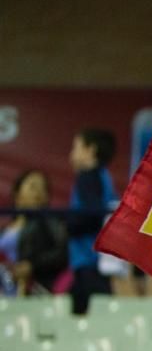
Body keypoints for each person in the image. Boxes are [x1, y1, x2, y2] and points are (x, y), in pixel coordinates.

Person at [66, 128, 118, 314]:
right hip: (94, 262)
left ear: (90, 150)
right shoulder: (103, 177)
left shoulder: (88, 177)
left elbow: (92, 214)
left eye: (76, 147)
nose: (72, 154)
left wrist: (68, 226)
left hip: (89, 261)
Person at [0, 169, 69, 295]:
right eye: (33, 186)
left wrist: (32, 265)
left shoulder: (50, 222)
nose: (38, 192)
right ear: (17, 193)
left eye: (43, 188)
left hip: (31, 290)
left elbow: (62, 252)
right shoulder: (5, 229)